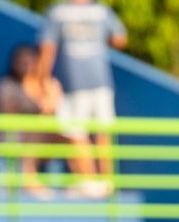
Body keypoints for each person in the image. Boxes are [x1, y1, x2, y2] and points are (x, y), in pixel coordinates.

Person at [38, 0, 127, 197]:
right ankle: (105, 181)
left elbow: (47, 48)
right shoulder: (101, 12)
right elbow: (120, 39)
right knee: (101, 132)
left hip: (74, 84)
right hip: (101, 82)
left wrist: (42, 80)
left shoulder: (58, 12)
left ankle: (91, 182)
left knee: (78, 133)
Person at [0, 44, 63, 198]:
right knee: (32, 130)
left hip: (46, 136)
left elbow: (51, 109)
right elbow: (8, 112)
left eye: (29, 60)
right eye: (21, 61)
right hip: (15, 135)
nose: (26, 65)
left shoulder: (49, 84)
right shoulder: (6, 85)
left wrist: (38, 89)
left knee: (71, 134)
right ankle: (29, 178)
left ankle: (86, 181)